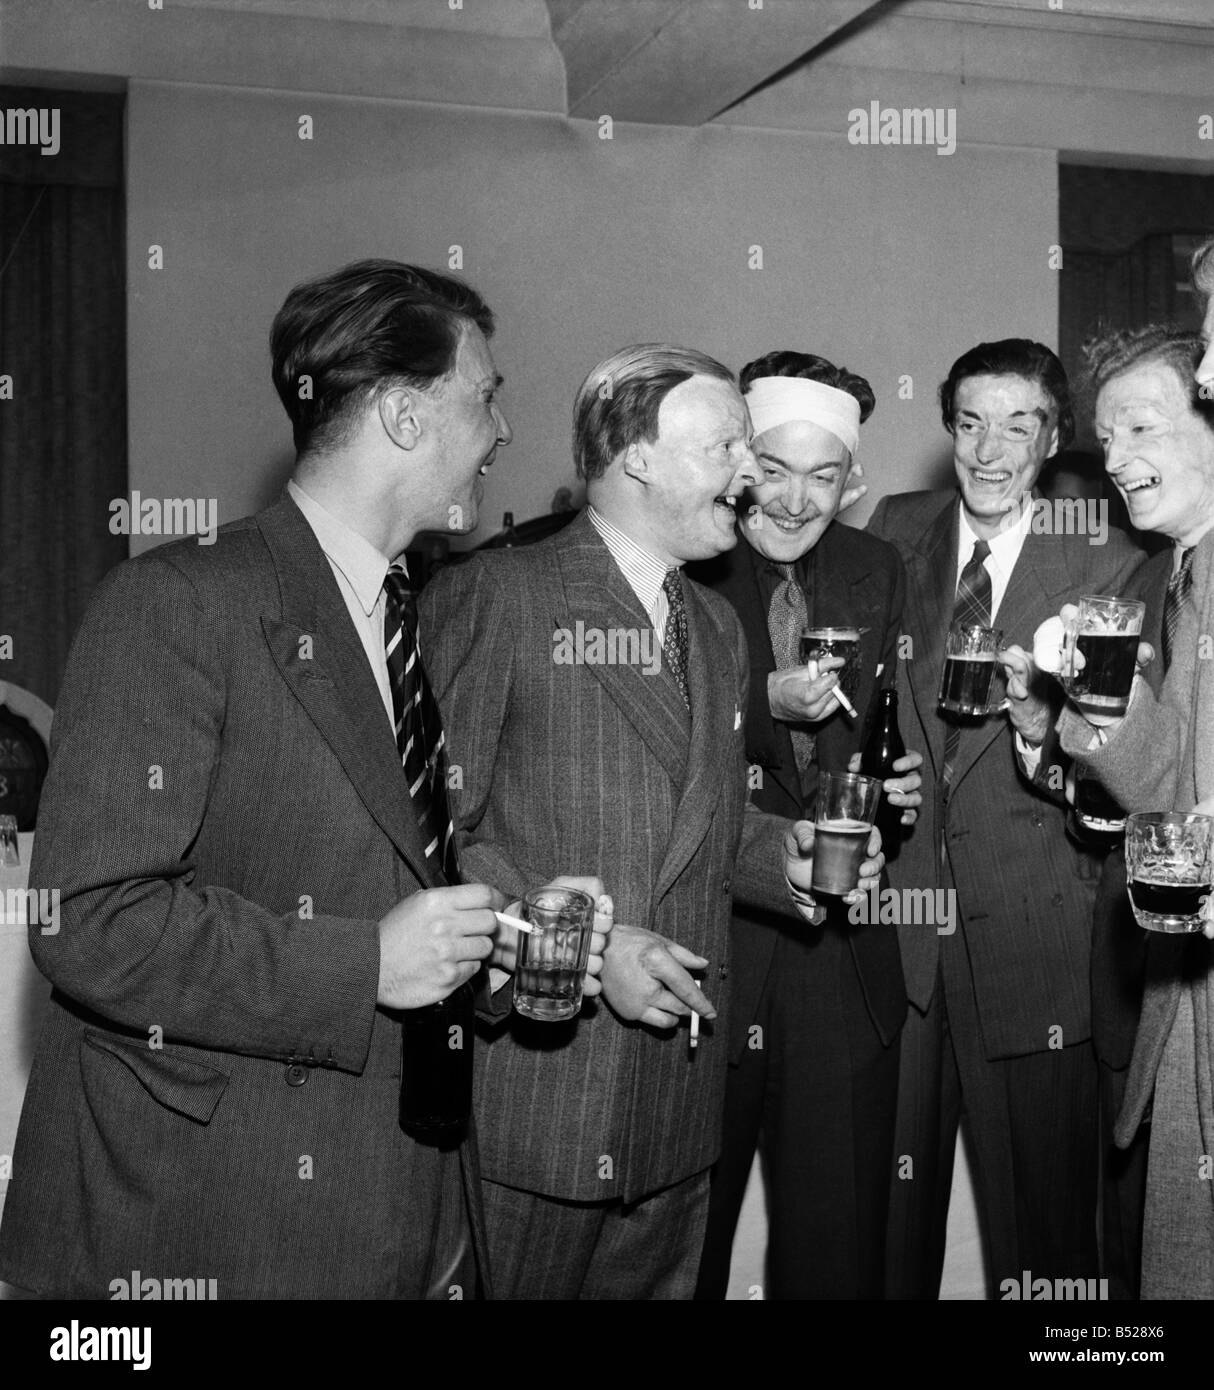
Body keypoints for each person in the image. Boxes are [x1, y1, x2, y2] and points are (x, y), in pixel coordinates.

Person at [0, 258, 607, 1299]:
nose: (504, 434)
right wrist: (362, 963)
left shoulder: (404, 618)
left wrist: (488, 950)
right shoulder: (178, 601)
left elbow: (369, 864)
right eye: (486, 396)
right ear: (407, 416)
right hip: (203, 1215)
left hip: (382, 1201)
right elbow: (87, 918)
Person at [420, 343, 884, 1300]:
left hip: (677, 1109)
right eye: (728, 448)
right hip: (543, 1110)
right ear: (636, 455)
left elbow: (708, 825)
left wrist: (783, 860)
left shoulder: (712, 625)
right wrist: (584, 948)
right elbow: (432, 843)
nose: (751, 474)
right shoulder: (497, 595)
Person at [867, 338, 1145, 1297]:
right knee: (888, 1231)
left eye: (1017, 424)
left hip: (1040, 934)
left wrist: (1047, 728)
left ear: (1054, 435)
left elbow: (1128, 760)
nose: (989, 450)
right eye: (970, 423)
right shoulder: (894, 528)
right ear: (947, 430)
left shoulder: (1109, 553)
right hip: (901, 937)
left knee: (1051, 1244)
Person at [689, 350, 920, 1299]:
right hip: (707, 951)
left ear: (849, 482)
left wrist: (892, 795)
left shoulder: (876, 568)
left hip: (837, 957)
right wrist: (762, 701)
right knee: (679, 1247)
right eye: (774, 470)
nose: (793, 500)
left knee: (836, 1250)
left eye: (822, 477)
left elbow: (877, 735)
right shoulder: (685, 556)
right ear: (738, 461)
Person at [1041, 311, 1214, 1299]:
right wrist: (1100, 706)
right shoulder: (1178, 574)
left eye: (1141, 426)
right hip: (1181, 993)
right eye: (1105, 437)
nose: (1113, 457)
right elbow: (1167, 794)